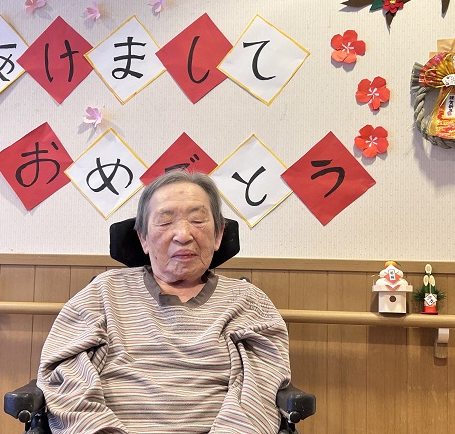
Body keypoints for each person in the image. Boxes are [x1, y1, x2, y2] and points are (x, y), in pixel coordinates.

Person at [37, 171, 291, 433]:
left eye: (197, 220)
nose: (183, 235)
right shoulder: (102, 293)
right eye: (165, 221)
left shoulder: (248, 302)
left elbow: (257, 394)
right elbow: (66, 383)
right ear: (143, 239)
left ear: (218, 234)